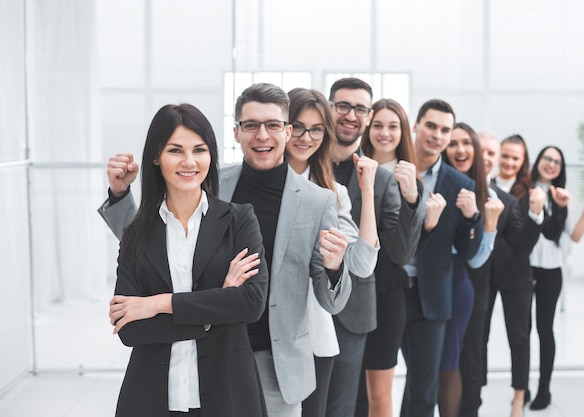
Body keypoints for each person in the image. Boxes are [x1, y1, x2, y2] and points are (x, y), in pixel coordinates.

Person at [99, 83, 353, 417]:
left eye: (273, 125)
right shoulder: (208, 179)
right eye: (251, 125)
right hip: (207, 353)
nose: (262, 135)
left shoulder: (317, 200)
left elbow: (329, 300)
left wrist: (335, 268)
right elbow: (153, 247)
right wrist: (120, 197)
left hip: (274, 357)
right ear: (236, 132)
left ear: (287, 131)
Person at [107, 103, 269, 417]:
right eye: (175, 150)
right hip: (152, 396)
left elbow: (250, 303)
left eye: (199, 149)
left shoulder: (239, 220)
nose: (189, 161)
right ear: (156, 156)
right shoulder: (136, 233)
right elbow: (130, 330)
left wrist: (156, 304)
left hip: (229, 394)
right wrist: (216, 308)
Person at [325, 79, 424, 417]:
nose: (351, 115)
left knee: (350, 402)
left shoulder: (380, 178)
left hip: (360, 304)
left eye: (360, 109)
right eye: (343, 106)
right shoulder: (306, 163)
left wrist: (413, 200)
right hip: (305, 303)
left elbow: (399, 252)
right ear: (329, 107)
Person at [283, 87, 380, 417]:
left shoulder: (333, 193)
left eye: (316, 129)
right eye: (296, 126)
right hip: (258, 329)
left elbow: (362, 264)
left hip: (311, 329)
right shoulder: (251, 183)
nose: (305, 137)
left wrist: (366, 191)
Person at [400, 99, 484, 417]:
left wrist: (474, 217)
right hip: (389, 289)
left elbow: (469, 251)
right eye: (431, 126)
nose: (437, 135)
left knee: (424, 387)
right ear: (417, 126)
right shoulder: (392, 170)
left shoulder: (461, 184)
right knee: (372, 382)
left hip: (431, 296)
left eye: (445, 129)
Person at [357, 98, 440, 417]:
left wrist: (412, 200)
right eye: (377, 125)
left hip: (386, 292)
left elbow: (403, 251)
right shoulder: (348, 167)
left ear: (404, 131)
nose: (384, 133)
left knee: (379, 395)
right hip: (347, 289)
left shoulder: (410, 181)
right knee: (350, 391)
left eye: (393, 126)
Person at [438, 122, 504, 417]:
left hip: (469, 285)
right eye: (453, 143)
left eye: (467, 143)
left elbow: (478, 258)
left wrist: (484, 223)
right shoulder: (434, 184)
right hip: (432, 281)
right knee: (430, 367)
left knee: (467, 362)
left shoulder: (485, 194)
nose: (460, 150)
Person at [528, 146, 584, 410]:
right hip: (524, 267)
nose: (551, 164)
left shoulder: (564, 197)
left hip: (551, 270)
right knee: (522, 332)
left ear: (561, 168)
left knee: (545, 330)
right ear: (538, 162)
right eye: (547, 158)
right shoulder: (525, 189)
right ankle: (521, 387)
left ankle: (544, 390)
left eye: (557, 161)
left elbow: (576, 236)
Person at [487, 134, 548, 417]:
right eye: (505, 155)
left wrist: (537, 215)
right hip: (484, 275)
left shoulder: (531, 193)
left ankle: (518, 397)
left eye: (515, 158)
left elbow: (524, 246)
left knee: (519, 338)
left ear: (523, 162)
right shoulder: (483, 185)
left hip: (517, 275)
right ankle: (473, 391)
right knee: (477, 337)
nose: (509, 162)